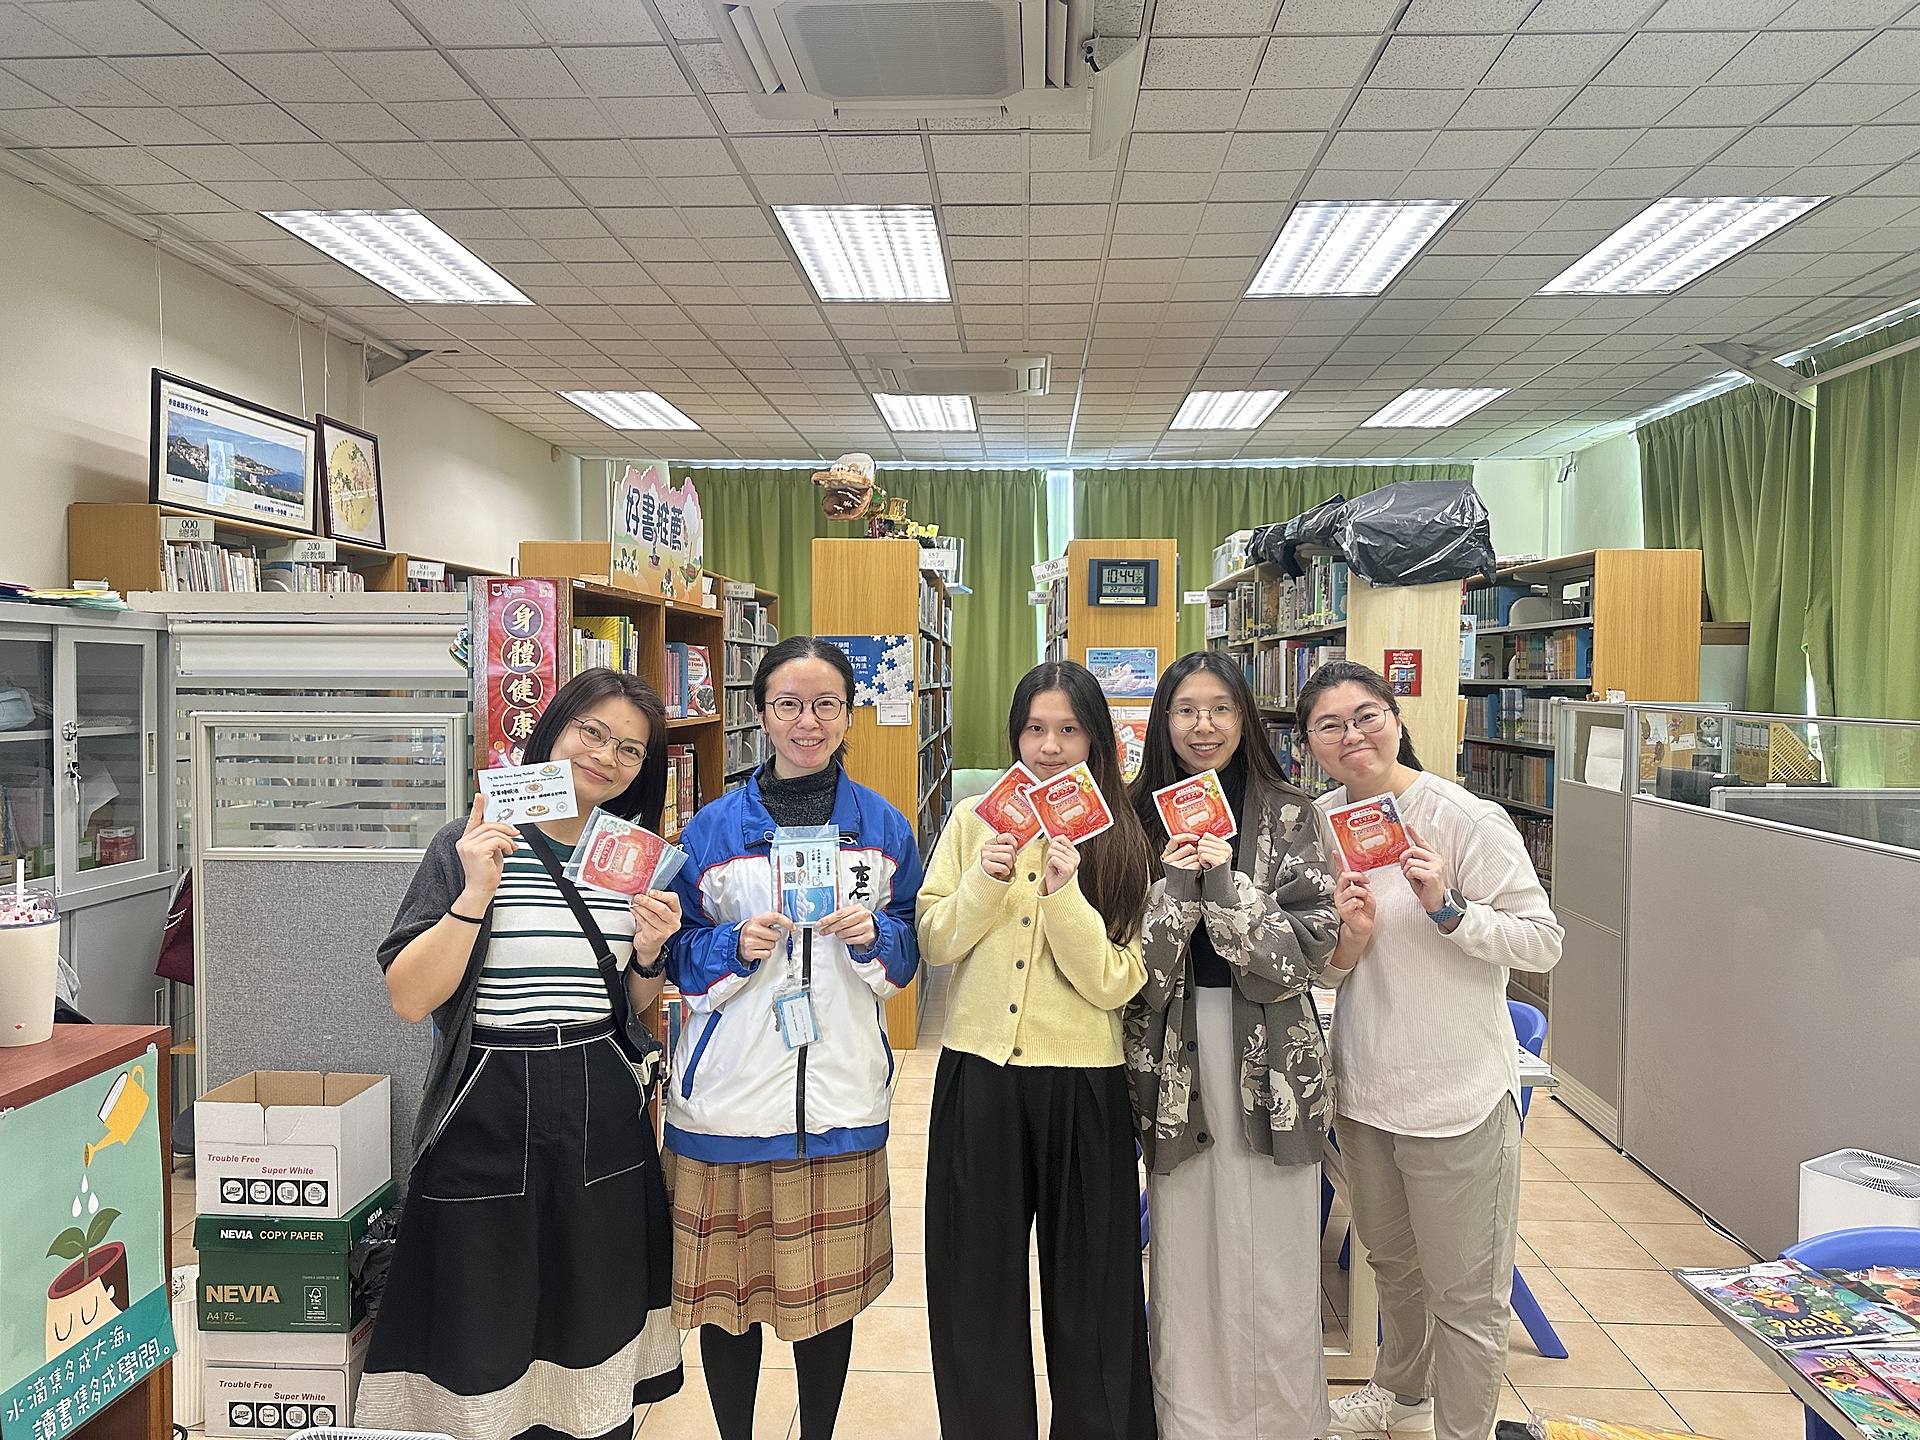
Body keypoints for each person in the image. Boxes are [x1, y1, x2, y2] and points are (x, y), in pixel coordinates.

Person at [361, 668, 684, 1440]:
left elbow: (629, 1004)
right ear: (553, 731)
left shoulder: (632, 862)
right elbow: (409, 996)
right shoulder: (470, 843)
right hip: (487, 1101)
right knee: (480, 1314)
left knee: (594, 1306)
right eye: (591, 731)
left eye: (630, 749)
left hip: (601, 1109)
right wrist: (476, 890)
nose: (605, 756)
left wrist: (649, 953)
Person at [664, 636, 922, 1440]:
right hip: (729, 1103)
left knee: (827, 1300)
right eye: (788, 704)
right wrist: (729, 947)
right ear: (762, 714)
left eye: (825, 705)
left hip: (839, 1096)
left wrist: (876, 936)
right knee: (728, 1302)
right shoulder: (711, 831)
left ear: (848, 715)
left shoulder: (883, 828)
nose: (807, 722)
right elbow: (672, 954)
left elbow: (911, 950)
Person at [1298, 660, 1563, 1440]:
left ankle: (1463, 1431)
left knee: (1467, 1296)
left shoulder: (1463, 818)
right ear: (1308, 743)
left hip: (1457, 1097)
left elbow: (1542, 942)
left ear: (1396, 718)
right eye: (1329, 725)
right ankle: (1401, 1393)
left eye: (1367, 716)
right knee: (1394, 1269)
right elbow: (1326, 972)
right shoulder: (1320, 824)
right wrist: (1346, 941)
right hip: (1367, 1093)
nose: (1352, 736)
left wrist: (1449, 909)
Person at [918, 659, 1158, 1440]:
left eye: (1068, 730)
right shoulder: (972, 820)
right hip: (979, 1073)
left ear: (1096, 740)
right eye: (1034, 728)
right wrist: (985, 882)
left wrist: (1063, 896)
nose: (1049, 747)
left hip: (1084, 1083)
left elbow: (1117, 982)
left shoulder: (1124, 834)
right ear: (1015, 734)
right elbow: (935, 941)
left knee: (1092, 1290)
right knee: (973, 1282)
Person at [1122, 650, 1346, 1440]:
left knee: (1278, 1242)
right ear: (1163, 721)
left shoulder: (1292, 814)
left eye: (1220, 708)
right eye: (1186, 709)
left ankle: (1285, 1420)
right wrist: (1176, 889)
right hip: (1173, 1054)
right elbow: (1132, 971)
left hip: (1273, 1052)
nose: (1203, 725)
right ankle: (1190, 1418)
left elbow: (1305, 955)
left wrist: (1225, 886)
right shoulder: (1135, 816)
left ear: (1245, 718)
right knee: (1185, 1241)